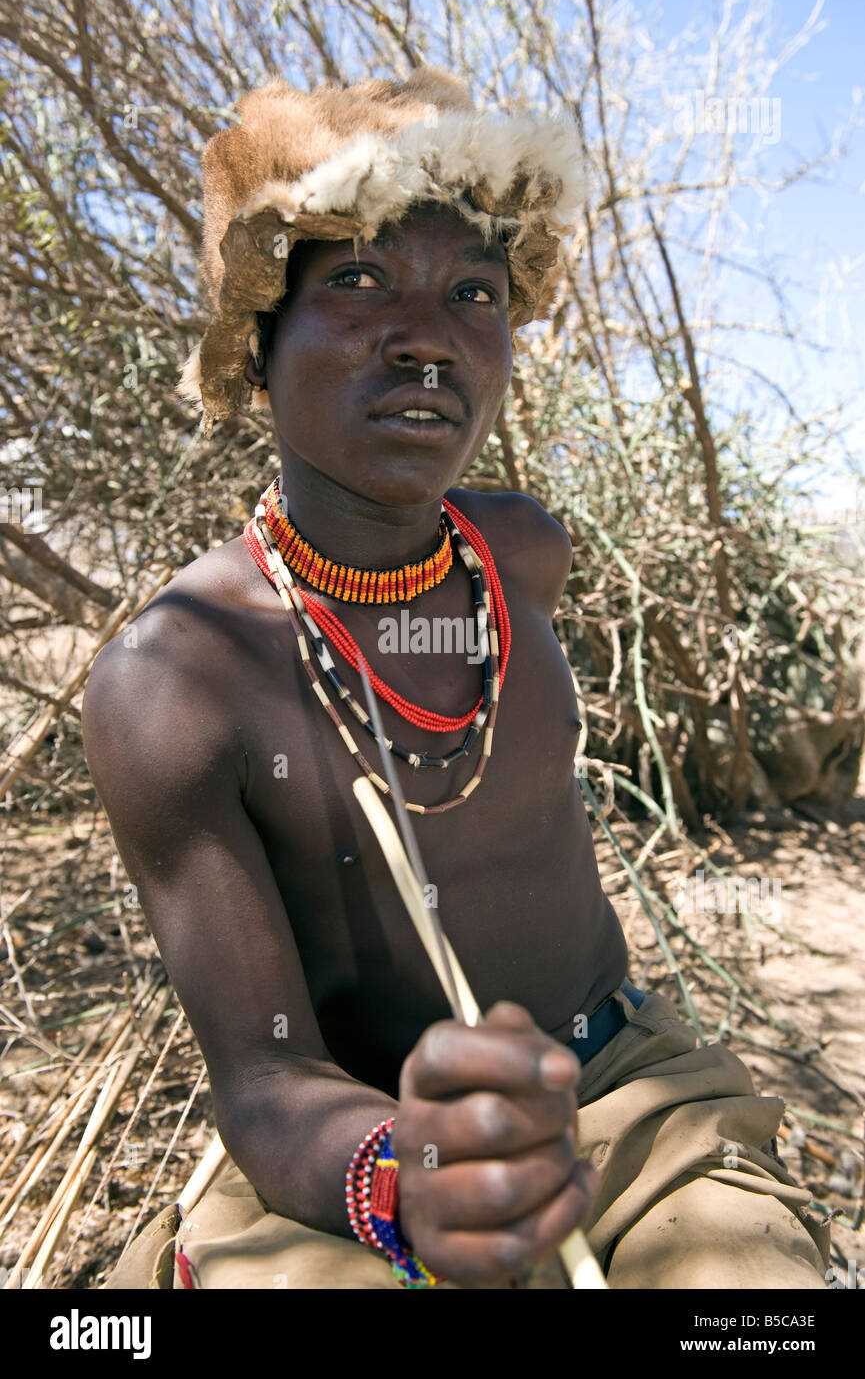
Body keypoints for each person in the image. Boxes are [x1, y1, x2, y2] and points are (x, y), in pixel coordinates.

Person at [82, 66, 829, 1290]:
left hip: (631, 1099)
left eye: (473, 290)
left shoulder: (520, 555)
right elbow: (266, 1079)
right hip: (361, 1163)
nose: (426, 332)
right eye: (361, 279)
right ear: (261, 342)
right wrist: (402, 1177)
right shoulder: (172, 685)